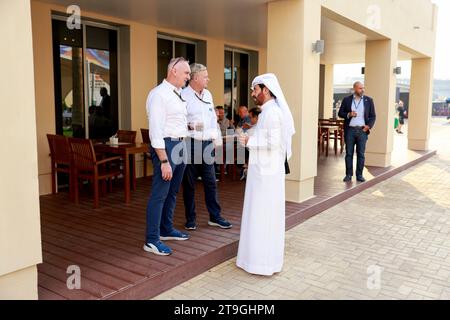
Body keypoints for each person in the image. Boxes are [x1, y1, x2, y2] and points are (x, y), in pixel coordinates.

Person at [236, 73, 295, 276]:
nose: (253, 94)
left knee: (263, 214)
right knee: (257, 213)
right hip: (261, 172)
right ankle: (253, 259)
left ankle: (262, 263)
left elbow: (274, 143)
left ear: (266, 90)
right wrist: (251, 135)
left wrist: (249, 142)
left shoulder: (273, 113)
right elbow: (266, 135)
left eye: (255, 90)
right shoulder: (268, 112)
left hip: (266, 175)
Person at [144, 57, 191, 256]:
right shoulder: (158, 95)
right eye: (186, 73)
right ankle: (152, 239)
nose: (188, 77)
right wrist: (164, 160)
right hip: (167, 147)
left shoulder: (177, 94)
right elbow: (156, 131)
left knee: (172, 192)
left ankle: (166, 229)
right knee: (159, 194)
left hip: (180, 145)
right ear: (173, 71)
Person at [181, 63, 232, 230]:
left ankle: (215, 216)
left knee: (211, 182)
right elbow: (181, 122)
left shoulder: (208, 94)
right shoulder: (183, 95)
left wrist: (216, 140)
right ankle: (190, 218)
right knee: (189, 183)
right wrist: (196, 127)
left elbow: (212, 120)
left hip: (207, 145)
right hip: (190, 144)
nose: (208, 79)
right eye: (205, 76)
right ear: (195, 78)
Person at [338, 81, 376, 183]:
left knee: (361, 154)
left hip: (362, 131)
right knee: (349, 153)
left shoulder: (369, 100)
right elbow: (340, 113)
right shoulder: (347, 100)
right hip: (350, 130)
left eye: (363, 88)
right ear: (354, 88)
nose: (362, 90)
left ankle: (359, 175)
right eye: (360, 88)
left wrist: (368, 126)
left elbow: (373, 116)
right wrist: (349, 114)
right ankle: (348, 175)